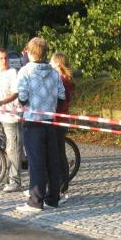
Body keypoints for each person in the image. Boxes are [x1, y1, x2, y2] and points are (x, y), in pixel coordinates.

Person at [16, 36, 65, 213]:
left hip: (32, 121)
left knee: (36, 162)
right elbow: (62, 96)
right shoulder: (54, 72)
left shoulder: (25, 71)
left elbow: (22, 97)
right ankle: (53, 198)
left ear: (30, 52)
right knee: (52, 161)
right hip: (50, 122)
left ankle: (35, 201)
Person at [0, 48, 24, 192]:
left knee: (14, 149)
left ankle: (15, 181)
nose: (4, 61)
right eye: (1, 58)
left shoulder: (13, 72)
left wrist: (2, 103)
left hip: (12, 115)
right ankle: (7, 177)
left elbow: (15, 93)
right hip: (2, 116)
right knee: (5, 148)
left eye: (6, 58)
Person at [50, 52, 75, 199]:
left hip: (58, 119)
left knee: (58, 155)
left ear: (58, 64)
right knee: (59, 153)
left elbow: (59, 100)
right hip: (60, 119)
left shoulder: (61, 80)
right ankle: (61, 185)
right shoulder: (65, 79)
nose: (50, 64)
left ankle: (61, 186)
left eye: (52, 62)